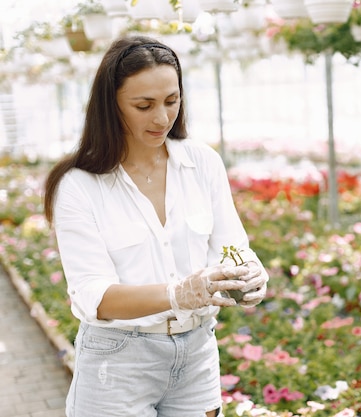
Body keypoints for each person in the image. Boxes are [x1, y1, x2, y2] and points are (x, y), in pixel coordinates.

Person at [43, 35, 269, 417]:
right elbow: (93, 296)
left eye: (171, 101)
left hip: (196, 351)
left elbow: (233, 245)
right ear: (111, 105)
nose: (162, 118)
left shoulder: (202, 163)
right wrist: (178, 293)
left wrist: (249, 273)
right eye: (143, 105)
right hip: (116, 362)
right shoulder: (80, 185)